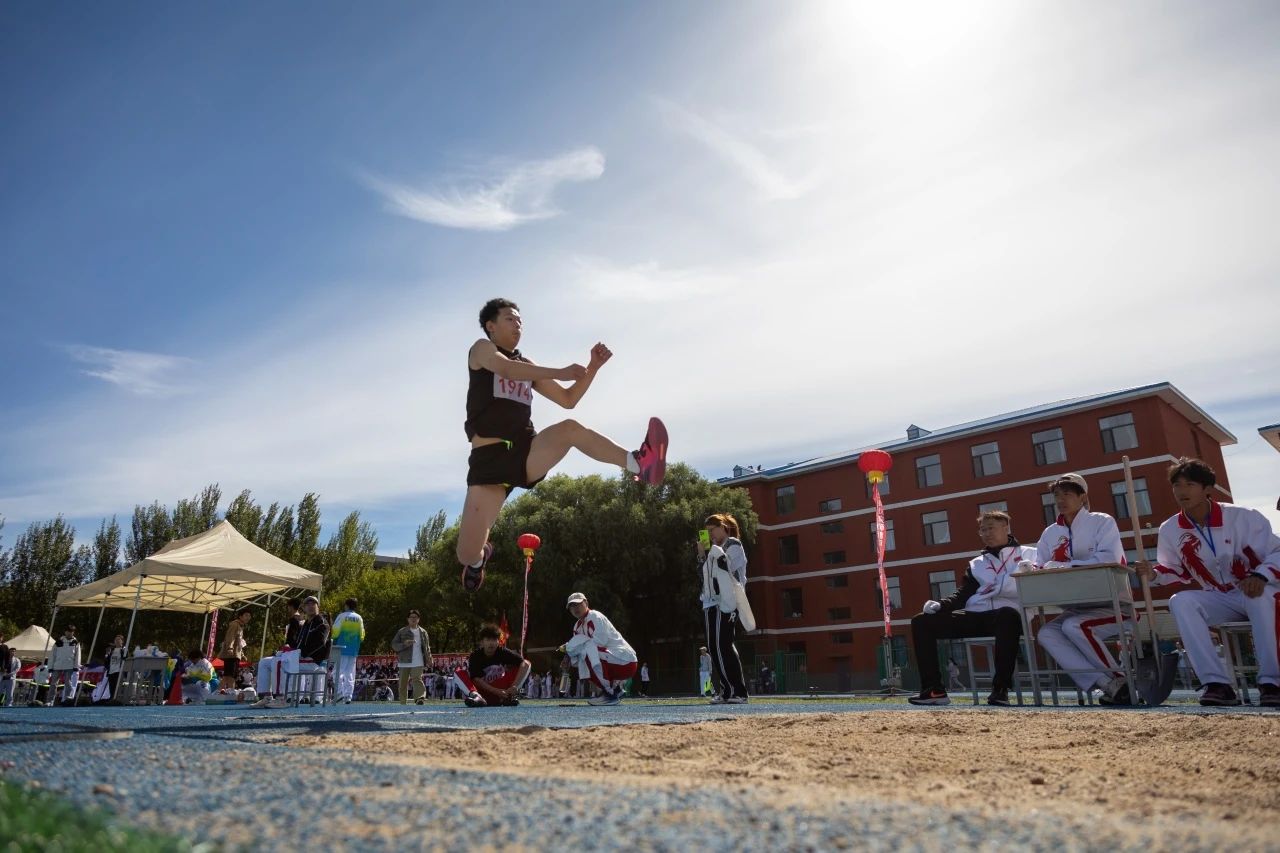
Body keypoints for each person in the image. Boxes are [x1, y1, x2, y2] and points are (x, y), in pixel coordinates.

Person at [456, 298, 669, 592]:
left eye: (520, 320)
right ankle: (479, 560)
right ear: (491, 326)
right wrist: (560, 371)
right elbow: (504, 369)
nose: (518, 324)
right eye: (510, 319)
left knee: (569, 429)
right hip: (488, 461)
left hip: (525, 451)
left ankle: (639, 463)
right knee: (466, 553)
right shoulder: (482, 349)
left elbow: (568, 399)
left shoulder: (527, 366)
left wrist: (593, 367)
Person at [1135, 457, 1280, 707]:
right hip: (1219, 595)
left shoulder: (1244, 517)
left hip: (1260, 589)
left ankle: (1272, 683)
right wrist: (1154, 573)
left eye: (1190, 484)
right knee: (1181, 601)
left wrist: (1261, 576)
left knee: (1258, 597)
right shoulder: (1170, 529)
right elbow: (1175, 570)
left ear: (1207, 488)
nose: (1182, 491)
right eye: (1177, 485)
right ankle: (1216, 684)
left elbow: (1277, 552)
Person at [908, 510, 1038, 706]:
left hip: (1011, 617)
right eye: (983, 530)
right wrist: (941, 604)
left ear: (1006, 527)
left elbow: (1034, 587)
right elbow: (964, 594)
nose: (986, 533)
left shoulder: (1029, 554)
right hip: (978, 616)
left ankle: (1000, 690)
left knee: (1007, 614)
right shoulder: (977, 564)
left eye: (991, 528)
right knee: (921, 621)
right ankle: (934, 690)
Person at [1031, 473, 1131, 705]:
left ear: (1083, 497)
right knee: (1046, 633)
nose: (1061, 500)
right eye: (1057, 495)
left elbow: (1109, 557)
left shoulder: (1102, 521)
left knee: (1074, 626)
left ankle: (1121, 680)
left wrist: (1065, 566)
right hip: (1075, 607)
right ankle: (1108, 684)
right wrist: (1031, 568)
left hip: (1115, 606)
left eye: (1067, 494)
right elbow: (1040, 564)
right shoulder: (1050, 532)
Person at [698, 513, 749, 704]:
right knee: (715, 647)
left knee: (723, 645)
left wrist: (713, 553)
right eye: (707, 532)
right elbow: (704, 576)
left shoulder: (733, 544)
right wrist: (702, 555)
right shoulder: (712, 551)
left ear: (723, 527)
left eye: (712, 530)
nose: (710, 535)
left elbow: (728, 569)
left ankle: (738, 691)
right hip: (710, 601)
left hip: (727, 600)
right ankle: (727, 690)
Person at [559, 592, 637, 706]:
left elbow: (600, 642)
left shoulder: (596, 617)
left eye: (578, 604)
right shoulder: (576, 627)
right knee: (580, 658)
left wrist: (570, 647)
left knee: (587, 652)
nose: (575, 608)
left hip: (627, 661)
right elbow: (580, 652)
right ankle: (615, 690)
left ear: (586, 603)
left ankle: (610, 694)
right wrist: (569, 657)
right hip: (613, 661)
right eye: (571, 606)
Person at [454, 624, 531, 707]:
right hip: (483, 693)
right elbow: (476, 680)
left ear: (498, 642)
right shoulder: (475, 656)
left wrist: (515, 686)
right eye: (488, 640)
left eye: (494, 640)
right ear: (482, 642)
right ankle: (476, 696)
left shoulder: (503, 652)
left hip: (503, 693)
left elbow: (525, 664)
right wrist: (496, 691)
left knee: (525, 664)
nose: (491, 643)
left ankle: (509, 697)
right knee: (458, 672)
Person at [294, 596, 331, 704]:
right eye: (308, 604)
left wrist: (303, 654)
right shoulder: (306, 624)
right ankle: (269, 695)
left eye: (313, 604)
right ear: (304, 608)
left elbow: (320, 643)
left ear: (318, 607)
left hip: (315, 661)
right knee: (268, 661)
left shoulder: (322, 623)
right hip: (305, 658)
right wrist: (292, 651)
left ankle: (283, 697)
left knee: (283, 664)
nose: (311, 606)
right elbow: (299, 643)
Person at [391, 610, 432, 705]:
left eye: (415, 617)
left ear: (418, 619)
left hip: (418, 660)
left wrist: (429, 658)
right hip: (404, 661)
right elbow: (394, 645)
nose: (413, 619)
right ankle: (403, 702)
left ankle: (419, 698)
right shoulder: (402, 631)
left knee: (417, 679)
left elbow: (427, 647)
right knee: (403, 683)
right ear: (408, 619)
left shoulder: (423, 632)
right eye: (411, 617)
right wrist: (404, 644)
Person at [330, 597, 365, 704]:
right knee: (350, 673)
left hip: (341, 648)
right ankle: (348, 696)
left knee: (337, 672)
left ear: (346, 605)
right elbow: (362, 635)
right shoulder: (359, 618)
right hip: (353, 650)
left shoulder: (342, 616)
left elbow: (335, 632)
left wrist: (332, 638)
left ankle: (339, 693)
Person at [49, 625, 82, 705]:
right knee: (53, 684)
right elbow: (53, 655)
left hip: (69, 666)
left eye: (71, 631)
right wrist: (50, 666)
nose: (69, 633)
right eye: (68, 631)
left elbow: (78, 655)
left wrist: (76, 666)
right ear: (65, 632)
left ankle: (67, 700)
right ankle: (50, 701)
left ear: (73, 632)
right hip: (57, 666)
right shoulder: (58, 642)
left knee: (68, 683)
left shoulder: (75, 642)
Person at [220, 609, 252, 685]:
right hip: (231, 654)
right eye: (246, 615)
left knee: (231, 675)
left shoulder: (240, 626)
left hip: (236, 654)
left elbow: (239, 642)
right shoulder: (235, 624)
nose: (248, 617)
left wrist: (242, 654)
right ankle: (227, 690)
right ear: (240, 616)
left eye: (249, 616)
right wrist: (230, 648)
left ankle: (228, 690)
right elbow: (230, 637)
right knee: (229, 675)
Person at [104, 635, 126, 699]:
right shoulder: (112, 650)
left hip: (118, 671)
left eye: (118, 639)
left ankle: (116, 699)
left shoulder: (123, 650)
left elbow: (125, 658)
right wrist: (107, 655)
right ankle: (111, 699)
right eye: (115, 639)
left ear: (122, 641)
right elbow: (107, 662)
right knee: (111, 688)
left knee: (117, 687)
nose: (117, 641)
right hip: (111, 671)